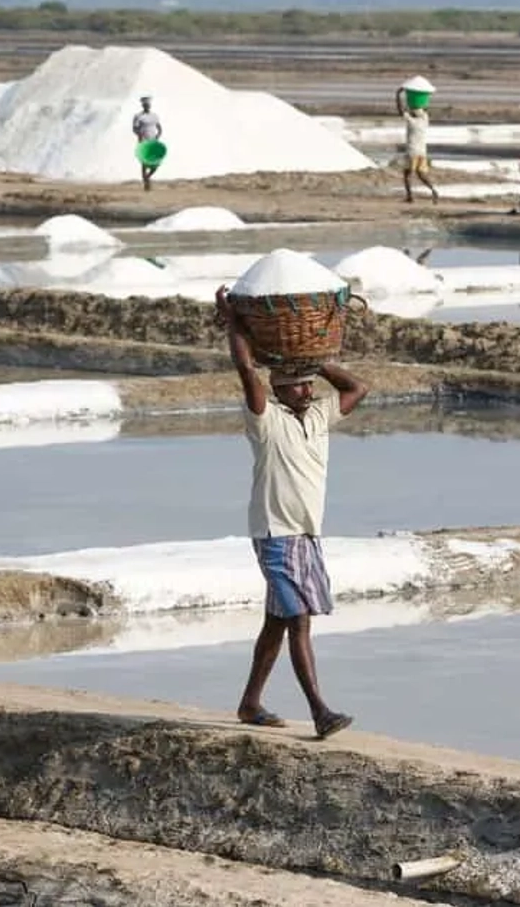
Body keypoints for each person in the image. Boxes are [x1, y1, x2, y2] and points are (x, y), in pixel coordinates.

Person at [215, 284, 369, 741]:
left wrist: (311, 356)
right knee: (298, 619)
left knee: (278, 621)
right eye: (298, 383)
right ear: (280, 391)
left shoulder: (319, 416)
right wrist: (236, 324)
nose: (307, 388)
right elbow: (246, 368)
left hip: (305, 533)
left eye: (308, 383)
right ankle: (320, 711)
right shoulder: (267, 420)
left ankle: (249, 703)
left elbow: (357, 387)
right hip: (276, 533)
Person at [396, 86, 437, 204]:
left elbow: (400, 110)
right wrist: (426, 95)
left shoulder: (411, 121)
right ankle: (433, 190)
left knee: (407, 174)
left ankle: (410, 197)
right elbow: (425, 108)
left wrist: (398, 95)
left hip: (412, 151)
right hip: (422, 152)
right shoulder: (425, 120)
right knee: (421, 174)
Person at [132, 96, 163, 191]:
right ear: (143, 105)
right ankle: (146, 183)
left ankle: (147, 177)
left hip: (153, 141)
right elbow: (134, 129)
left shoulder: (154, 116)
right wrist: (140, 136)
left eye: (148, 104)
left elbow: (159, 127)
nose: (147, 106)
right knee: (145, 163)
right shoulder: (138, 116)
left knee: (156, 163)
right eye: (145, 105)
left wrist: (158, 136)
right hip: (143, 142)